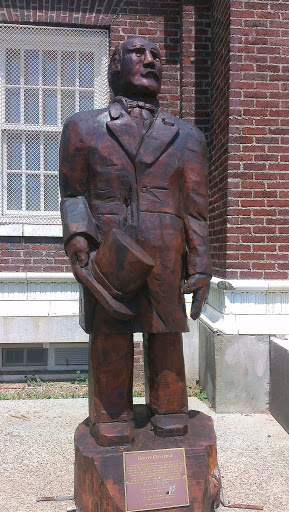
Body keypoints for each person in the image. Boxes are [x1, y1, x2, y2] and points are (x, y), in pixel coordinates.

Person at [59, 37, 212, 446]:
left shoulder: (188, 136)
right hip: (110, 249)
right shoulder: (83, 126)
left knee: (165, 334)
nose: (150, 61)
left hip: (166, 250)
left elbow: (196, 208)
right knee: (111, 332)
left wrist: (200, 263)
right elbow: (73, 194)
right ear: (114, 66)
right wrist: (77, 235)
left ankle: (171, 407)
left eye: (157, 56)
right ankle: (111, 413)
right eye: (138, 54)